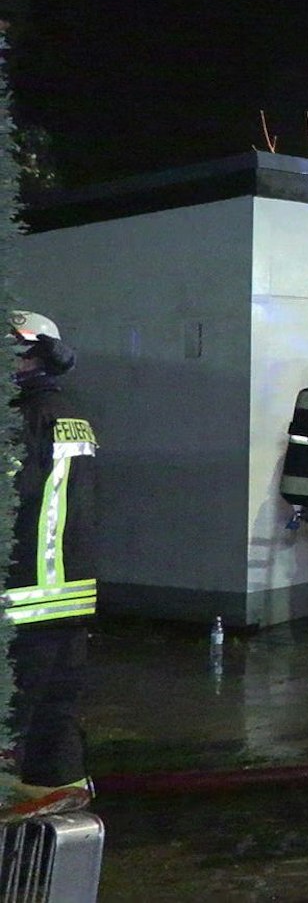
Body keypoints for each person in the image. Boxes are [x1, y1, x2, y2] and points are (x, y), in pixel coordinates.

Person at [3, 311, 99, 808]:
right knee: (56, 703)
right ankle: (56, 786)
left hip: (20, 592)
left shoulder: (19, 419)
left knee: (13, 703)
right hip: (68, 592)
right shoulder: (69, 411)